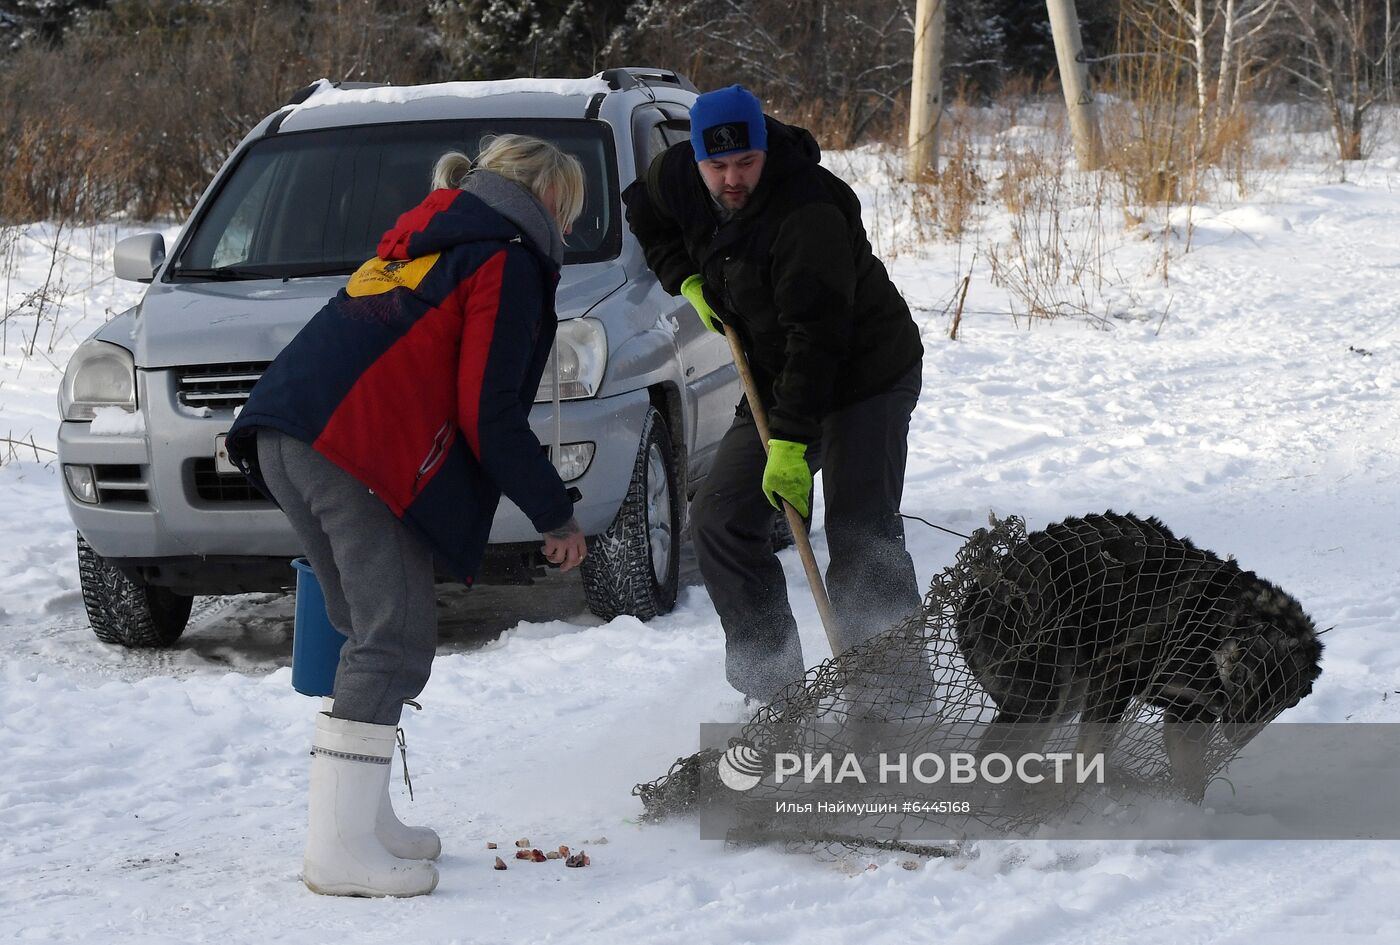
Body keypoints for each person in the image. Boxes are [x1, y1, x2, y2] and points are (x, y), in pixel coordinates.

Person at [225, 134, 587, 898]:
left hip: (287, 430)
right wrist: (556, 514)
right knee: (392, 638)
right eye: (571, 213)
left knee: (369, 629)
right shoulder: (506, 255)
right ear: (549, 200)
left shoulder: (433, 231)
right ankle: (339, 848)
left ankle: (363, 820)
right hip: (350, 448)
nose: (568, 232)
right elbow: (488, 413)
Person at [624, 85, 925, 703]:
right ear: (697, 157)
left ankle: (896, 702)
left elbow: (816, 339)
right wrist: (683, 275)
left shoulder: (806, 211)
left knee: (860, 532)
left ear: (765, 147)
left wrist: (789, 446)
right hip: (774, 370)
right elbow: (644, 210)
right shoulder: (680, 174)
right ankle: (776, 692)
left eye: (746, 163)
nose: (732, 179)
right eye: (718, 166)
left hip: (864, 373)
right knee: (720, 519)